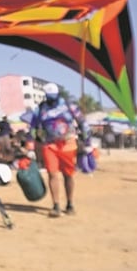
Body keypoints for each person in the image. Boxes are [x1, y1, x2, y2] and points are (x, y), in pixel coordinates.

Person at [29, 82, 88, 217]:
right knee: (52, 174)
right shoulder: (41, 109)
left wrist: (87, 141)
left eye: (54, 97)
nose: (52, 100)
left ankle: (70, 204)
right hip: (50, 145)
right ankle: (56, 205)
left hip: (68, 143)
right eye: (49, 97)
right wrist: (31, 144)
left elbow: (82, 122)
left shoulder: (68, 105)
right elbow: (33, 127)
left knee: (68, 175)